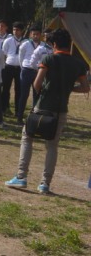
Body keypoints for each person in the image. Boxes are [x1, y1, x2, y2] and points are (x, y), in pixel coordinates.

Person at [6, 29, 90, 194]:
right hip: (60, 110)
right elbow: (86, 88)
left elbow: (37, 84)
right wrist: (69, 89)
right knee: (52, 146)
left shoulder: (49, 59)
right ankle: (45, 183)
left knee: (27, 137)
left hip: (43, 107)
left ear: (55, 44)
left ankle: (21, 176)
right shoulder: (78, 64)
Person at [17, 26, 51, 124]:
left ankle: (34, 117)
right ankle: (19, 117)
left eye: (37, 34)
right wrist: (23, 67)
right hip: (26, 70)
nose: (35, 36)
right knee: (24, 94)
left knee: (36, 94)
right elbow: (20, 57)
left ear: (40, 35)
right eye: (33, 34)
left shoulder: (44, 46)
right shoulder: (25, 44)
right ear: (30, 35)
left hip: (38, 71)